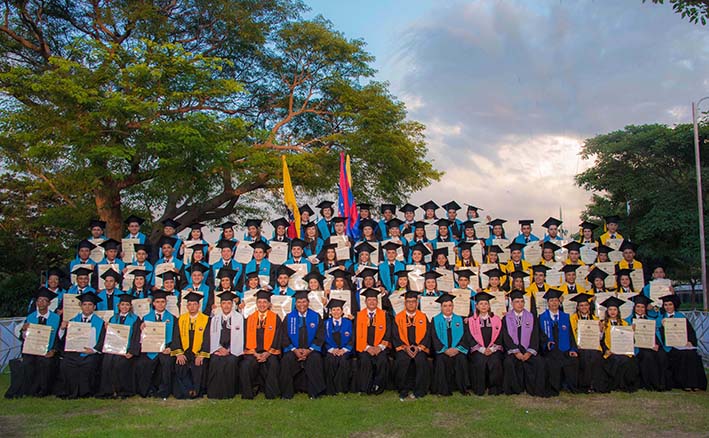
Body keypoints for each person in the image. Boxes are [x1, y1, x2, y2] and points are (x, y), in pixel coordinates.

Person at [7, 287, 61, 398]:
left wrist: (53, 350)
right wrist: (24, 330)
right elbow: (25, 338)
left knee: (46, 362)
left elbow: (59, 338)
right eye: (39, 300)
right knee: (27, 362)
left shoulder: (56, 318)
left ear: (49, 303)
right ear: (36, 302)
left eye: (44, 300)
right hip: (32, 350)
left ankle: (43, 390)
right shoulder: (30, 317)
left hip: (48, 351)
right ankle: (28, 390)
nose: (41, 303)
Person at [57, 291, 105, 399]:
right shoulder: (73, 321)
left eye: (90, 305)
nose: (87, 307)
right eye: (84, 304)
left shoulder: (100, 322)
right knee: (66, 363)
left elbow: (102, 340)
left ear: (94, 306)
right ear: (80, 306)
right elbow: (63, 339)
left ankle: (85, 392)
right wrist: (62, 328)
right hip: (74, 352)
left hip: (91, 353)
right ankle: (69, 391)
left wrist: (93, 350)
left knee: (89, 363)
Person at [279, 290, 326, 399]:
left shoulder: (316, 316)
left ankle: (314, 392)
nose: (301, 305)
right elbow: (284, 336)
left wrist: (309, 350)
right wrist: (294, 350)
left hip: (311, 350)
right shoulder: (289, 317)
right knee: (286, 360)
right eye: (299, 302)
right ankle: (287, 394)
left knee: (315, 359)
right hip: (293, 350)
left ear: (308, 302)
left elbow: (320, 335)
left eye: (304, 301)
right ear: (295, 303)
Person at [656, 294, 707, 391]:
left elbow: (690, 332)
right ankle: (685, 384)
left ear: (674, 305)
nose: (668, 307)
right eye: (666, 305)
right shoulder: (660, 319)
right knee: (682, 355)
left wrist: (690, 342)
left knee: (692, 355)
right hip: (669, 347)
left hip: (683, 345)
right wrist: (662, 326)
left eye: (670, 304)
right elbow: (658, 335)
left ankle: (695, 383)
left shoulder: (681, 317)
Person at [501, 290, 546, 396]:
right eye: (517, 302)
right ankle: (515, 389)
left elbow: (535, 336)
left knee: (539, 362)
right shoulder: (506, 318)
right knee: (509, 362)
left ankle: (535, 389)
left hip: (528, 350)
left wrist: (529, 352)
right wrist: (516, 352)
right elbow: (505, 337)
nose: (520, 304)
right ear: (512, 304)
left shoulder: (531, 317)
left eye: (522, 301)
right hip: (513, 350)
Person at [96, 294, 142, 398]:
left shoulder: (135, 319)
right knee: (107, 362)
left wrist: (132, 351)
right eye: (122, 304)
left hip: (126, 350)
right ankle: (108, 391)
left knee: (120, 363)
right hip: (113, 349)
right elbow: (107, 335)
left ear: (130, 306)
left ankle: (123, 391)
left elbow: (136, 336)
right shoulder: (113, 318)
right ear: (118, 305)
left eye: (127, 305)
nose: (125, 307)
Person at [240, 290, 283, 400]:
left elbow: (278, 337)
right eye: (259, 302)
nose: (262, 304)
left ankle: (271, 393)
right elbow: (245, 337)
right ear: (256, 303)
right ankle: (248, 393)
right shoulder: (250, 318)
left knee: (273, 364)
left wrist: (267, 353)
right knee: (245, 365)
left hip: (269, 352)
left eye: (264, 302)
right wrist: (255, 354)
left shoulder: (275, 318)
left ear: (269, 304)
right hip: (253, 352)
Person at [202, 290, 244, 399]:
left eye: (229, 303)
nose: (226, 306)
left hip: (232, 350)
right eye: (224, 303)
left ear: (232, 304)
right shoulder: (215, 318)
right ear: (220, 305)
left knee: (230, 361)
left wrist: (229, 350)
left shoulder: (239, 318)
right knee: (215, 361)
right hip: (218, 349)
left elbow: (241, 337)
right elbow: (211, 336)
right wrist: (218, 348)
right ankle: (214, 393)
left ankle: (228, 393)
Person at [135, 290, 176, 399]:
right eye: (157, 302)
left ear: (166, 302)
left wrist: (170, 348)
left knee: (167, 363)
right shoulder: (145, 318)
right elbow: (140, 339)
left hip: (165, 349)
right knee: (142, 363)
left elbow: (176, 337)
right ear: (153, 303)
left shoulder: (172, 318)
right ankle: (147, 391)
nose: (160, 304)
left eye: (162, 302)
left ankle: (163, 392)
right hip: (150, 349)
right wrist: (141, 330)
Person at [392, 290, 432, 400]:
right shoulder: (398, 317)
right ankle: (403, 390)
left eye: (413, 301)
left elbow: (427, 335)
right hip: (404, 348)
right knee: (402, 360)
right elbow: (395, 335)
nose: (411, 304)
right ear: (405, 303)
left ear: (417, 303)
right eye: (408, 301)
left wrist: (419, 348)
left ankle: (419, 390)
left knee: (421, 361)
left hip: (419, 348)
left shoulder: (423, 317)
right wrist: (405, 348)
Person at [170, 291, 210, 399]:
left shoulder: (206, 319)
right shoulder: (181, 319)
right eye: (190, 304)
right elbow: (176, 337)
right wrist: (179, 353)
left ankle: (196, 391)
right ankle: (186, 391)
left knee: (199, 366)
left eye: (195, 304)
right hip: (185, 351)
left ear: (199, 305)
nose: (192, 307)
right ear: (187, 306)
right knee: (180, 364)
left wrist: (201, 354)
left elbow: (207, 339)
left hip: (198, 351)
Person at [538, 289, 578, 395]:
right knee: (552, 360)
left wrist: (573, 349)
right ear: (548, 303)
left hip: (564, 348)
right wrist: (546, 343)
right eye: (551, 301)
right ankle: (555, 386)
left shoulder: (565, 317)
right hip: (550, 349)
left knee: (571, 360)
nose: (554, 303)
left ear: (559, 302)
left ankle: (568, 386)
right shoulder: (542, 318)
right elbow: (540, 335)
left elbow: (570, 334)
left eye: (556, 300)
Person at [625, 294, 668, 391]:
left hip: (652, 345)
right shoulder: (627, 321)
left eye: (643, 307)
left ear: (645, 308)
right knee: (647, 355)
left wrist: (656, 345)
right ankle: (649, 384)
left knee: (662, 355)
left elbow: (655, 335)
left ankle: (661, 383)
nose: (640, 309)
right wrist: (630, 330)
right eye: (638, 307)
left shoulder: (651, 320)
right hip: (637, 347)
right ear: (634, 307)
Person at [431, 293, 470, 396]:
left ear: (453, 306)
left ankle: (463, 388)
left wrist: (457, 349)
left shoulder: (460, 319)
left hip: (457, 350)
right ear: (441, 307)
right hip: (443, 350)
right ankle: (443, 389)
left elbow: (465, 337)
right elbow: (434, 337)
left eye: (450, 305)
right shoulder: (435, 320)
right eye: (445, 306)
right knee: (440, 360)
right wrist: (444, 350)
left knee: (461, 359)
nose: (448, 308)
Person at [355, 288, 392, 395]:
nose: (372, 302)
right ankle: (365, 387)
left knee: (382, 360)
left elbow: (388, 333)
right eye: (369, 300)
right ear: (365, 302)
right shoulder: (359, 315)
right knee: (365, 360)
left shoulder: (384, 315)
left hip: (380, 347)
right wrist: (367, 348)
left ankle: (378, 386)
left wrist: (380, 347)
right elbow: (357, 334)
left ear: (377, 301)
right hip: (365, 347)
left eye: (374, 300)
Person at [568, 293, 607, 393]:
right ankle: (585, 386)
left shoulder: (595, 319)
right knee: (586, 356)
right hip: (580, 346)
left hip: (594, 346)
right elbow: (571, 334)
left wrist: (601, 330)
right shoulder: (573, 318)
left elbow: (600, 338)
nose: (584, 307)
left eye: (586, 305)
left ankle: (595, 385)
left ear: (589, 306)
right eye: (581, 305)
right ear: (577, 307)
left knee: (596, 356)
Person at [467, 291, 504, 396]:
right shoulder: (471, 321)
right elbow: (469, 337)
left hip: (493, 349)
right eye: (481, 304)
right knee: (480, 361)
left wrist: (492, 349)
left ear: (489, 305)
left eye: (486, 304)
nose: (484, 306)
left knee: (495, 361)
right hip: (478, 350)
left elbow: (500, 336)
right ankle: (479, 388)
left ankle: (495, 389)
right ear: (477, 306)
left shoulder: (496, 319)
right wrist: (482, 349)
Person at [600, 296, 639, 392]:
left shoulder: (625, 324)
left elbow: (631, 341)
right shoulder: (603, 323)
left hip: (623, 351)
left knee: (626, 359)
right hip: (610, 351)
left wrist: (632, 333)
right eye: (610, 309)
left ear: (618, 311)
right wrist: (606, 349)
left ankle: (624, 385)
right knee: (616, 359)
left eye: (615, 309)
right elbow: (600, 340)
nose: (612, 312)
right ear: (607, 311)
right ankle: (615, 385)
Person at [323, 298, 354, 395]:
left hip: (345, 350)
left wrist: (344, 350)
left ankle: (341, 388)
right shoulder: (325, 323)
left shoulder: (348, 322)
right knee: (330, 360)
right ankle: (331, 389)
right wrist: (332, 350)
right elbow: (323, 339)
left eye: (338, 310)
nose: (336, 312)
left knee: (343, 361)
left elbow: (352, 338)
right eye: (333, 310)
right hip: (331, 350)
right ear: (330, 312)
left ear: (342, 311)